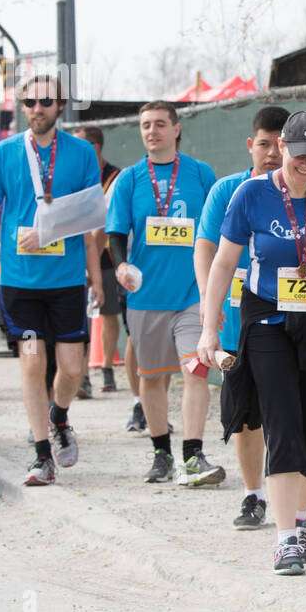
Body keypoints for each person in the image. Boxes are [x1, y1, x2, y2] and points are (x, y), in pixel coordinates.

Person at [197, 111, 306, 574]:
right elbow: (223, 264)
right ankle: (286, 537)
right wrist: (209, 329)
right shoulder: (251, 194)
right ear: (281, 148)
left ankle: (297, 517)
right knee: (282, 419)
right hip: (267, 316)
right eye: (298, 155)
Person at [0, 75, 103, 486]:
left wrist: (93, 275)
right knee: (32, 361)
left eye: (45, 101)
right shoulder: (3, 153)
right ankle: (41, 454)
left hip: (65, 282)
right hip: (20, 283)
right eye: (29, 101)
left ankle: (59, 416)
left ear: (60, 105)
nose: (36, 108)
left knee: (71, 367)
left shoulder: (81, 153)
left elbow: (90, 215)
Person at [108, 101, 223, 487]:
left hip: (192, 294)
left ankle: (193, 455)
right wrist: (121, 265)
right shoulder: (129, 179)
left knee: (196, 370)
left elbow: (218, 230)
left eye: (159, 124)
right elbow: (115, 233)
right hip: (146, 297)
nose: (151, 131)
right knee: (153, 378)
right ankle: (161, 454)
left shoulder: (200, 174)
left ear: (176, 129)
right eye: (145, 125)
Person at [192, 104, 291, 529]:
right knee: (246, 415)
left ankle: (294, 493)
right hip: (237, 322)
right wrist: (208, 309)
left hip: (289, 316)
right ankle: (254, 496)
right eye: (264, 144)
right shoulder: (226, 191)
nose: (272, 152)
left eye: (281, 144)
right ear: (251, 145)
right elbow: (206, 249)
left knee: (289, 412)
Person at [71, 125, 124, 398]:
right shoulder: (72, 176)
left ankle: (106, 369)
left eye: (79, 143)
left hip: (106, 258)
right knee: (80, 317)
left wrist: (93, 246)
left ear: (94, 147)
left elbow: (106, 222)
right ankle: (81, 377)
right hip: (76, 256)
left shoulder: (115, 177)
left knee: (108, 314)